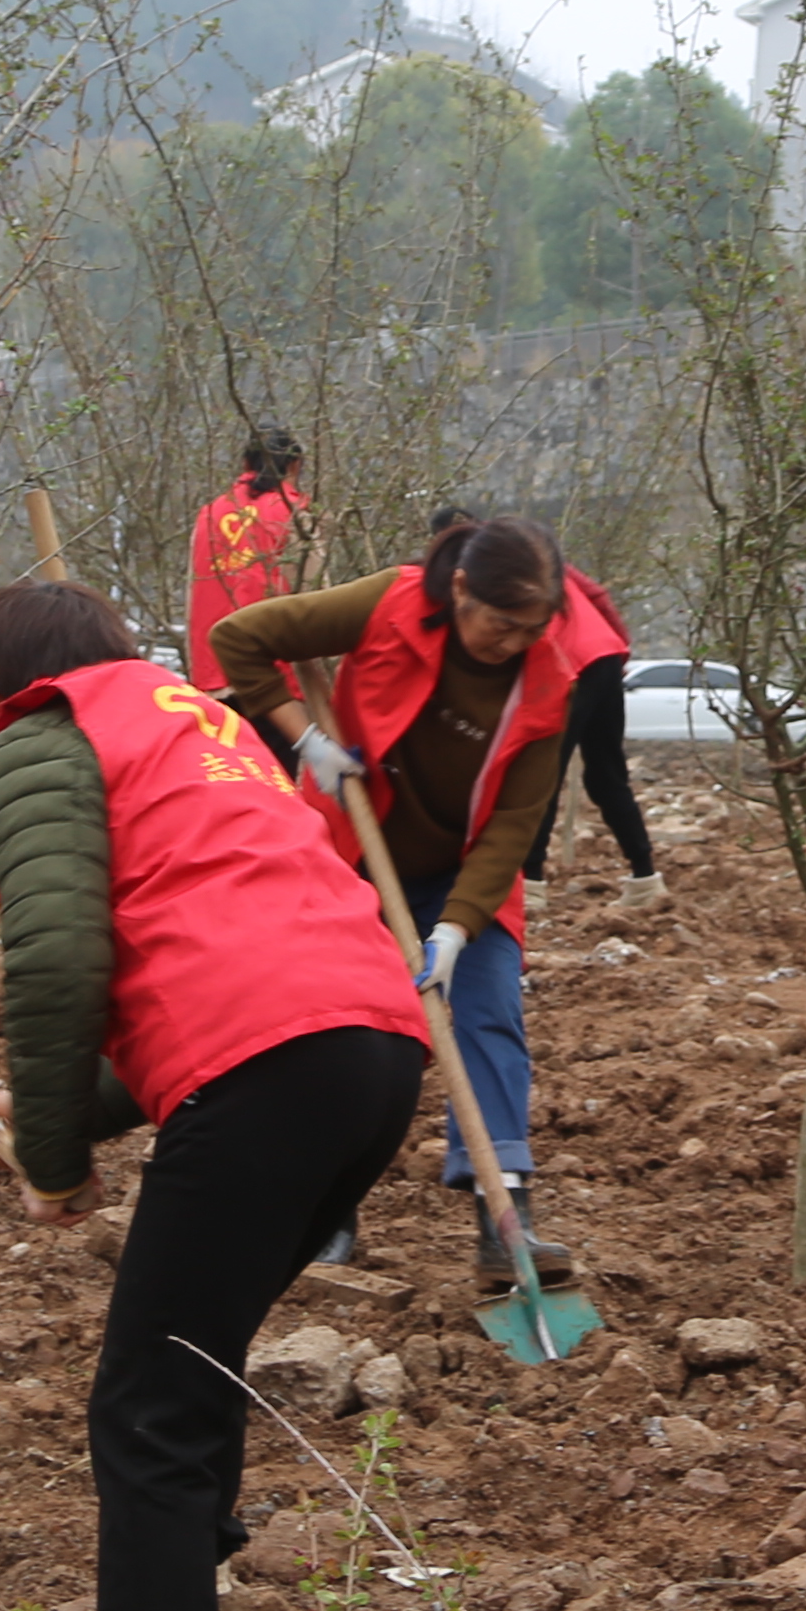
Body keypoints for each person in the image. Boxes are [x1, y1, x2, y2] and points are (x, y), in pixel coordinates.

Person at [0, 579, 433, 1611]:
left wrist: (55, 1161)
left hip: (274, 1062)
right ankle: (153, 1593)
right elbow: (215, 947)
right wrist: (74, 1110)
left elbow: (60, 959)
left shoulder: (39, 736)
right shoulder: (196, 722)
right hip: (371, 1046)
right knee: (195, 1359)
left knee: (148, 1404)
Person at [213, 510, 601, 1290]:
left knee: (488, 1016)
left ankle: (506, 1216)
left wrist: (456, 930)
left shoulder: (553, 680)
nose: (516, 643)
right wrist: (302, 737)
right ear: (460, 588)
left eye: (533, 628)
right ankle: (326, 1205)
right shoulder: (389, 603)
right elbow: (240, 639)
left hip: (466, 875)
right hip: (355, 856)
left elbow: (516, 825)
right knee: (338, 1035)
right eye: (502, 624)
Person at [521, 561, 663, 904]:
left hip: (564, 663)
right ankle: (645, 879)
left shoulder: (490, 565)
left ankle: (529, 886)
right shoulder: (538, 555)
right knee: (607, 774)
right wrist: (619, 648)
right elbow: (598, 595)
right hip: (604, 655)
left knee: (541, 773)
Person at [183, 431, 307, 692]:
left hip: (213, 677)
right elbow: (313, 600)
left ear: (246, 464)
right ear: (295, 465)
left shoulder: (208, 515)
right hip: (275, 682)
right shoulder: (296, 514)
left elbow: (192, 599)